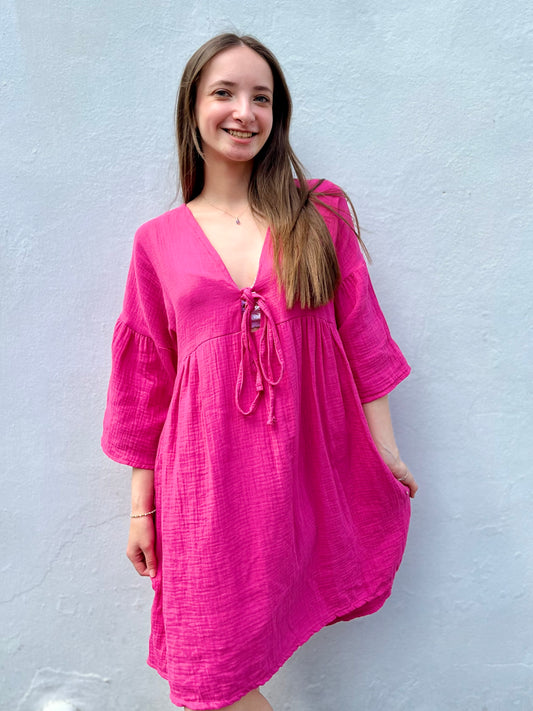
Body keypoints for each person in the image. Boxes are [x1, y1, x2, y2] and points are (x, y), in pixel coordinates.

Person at [102, 32, 418, 711]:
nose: (244, 112)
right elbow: (145, 386)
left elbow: (361, 332)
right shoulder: (157, 242)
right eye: (224, 93)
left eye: (262, 98)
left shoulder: (318, 210)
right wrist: (140, 509)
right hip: (204, 481)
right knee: (208, 673)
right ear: (192, 108)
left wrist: (384, 448)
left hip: (305, 468)